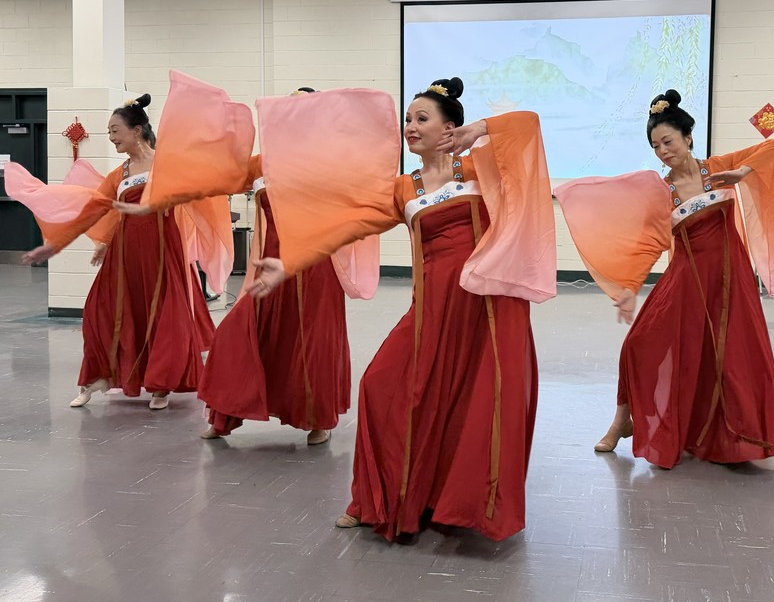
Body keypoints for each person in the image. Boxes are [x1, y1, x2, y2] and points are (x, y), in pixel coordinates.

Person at [248, 77, 556, 541]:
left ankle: (461, 503)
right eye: (407, 119)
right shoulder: (403, 188)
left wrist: (480, 131)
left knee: (475, 401)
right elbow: (348, 227)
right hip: (432, 306)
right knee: (380, 386)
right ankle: (375, 499)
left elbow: (527, 127)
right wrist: (289, 261)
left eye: (421, 118)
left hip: (486, 307)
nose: (410, 127)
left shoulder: (479, 169)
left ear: (449, 126)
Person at [554, 89, 774, 468]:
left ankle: (731, 433)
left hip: (731, 280)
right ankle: (622, 420)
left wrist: (742, 172)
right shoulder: (663, 191)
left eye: (668, 141)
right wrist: (630, 288)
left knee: (730, 355)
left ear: (688, 137)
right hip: (687, 279)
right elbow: (648, 244)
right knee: (638, 343)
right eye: (655, 145)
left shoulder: (717, 168)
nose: (663, 151)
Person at [116, 83, 362, 445]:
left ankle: (316, 419)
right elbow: (212, 181)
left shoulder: (330, 163)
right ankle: (225, 416)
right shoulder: (261, 163)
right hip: (270, 267)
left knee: (309, 345)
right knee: (237, 333)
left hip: (314, 268)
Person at [11, 93, 230, 409]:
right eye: (110, 132)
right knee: (102, 311)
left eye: (115, 130)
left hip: (161, 250)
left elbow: (193, 193)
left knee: (163, 315)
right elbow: (92, 211)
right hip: (124, 254)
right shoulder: (120, 174)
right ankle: (101, 375)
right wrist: (54, 245)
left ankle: (161, 383)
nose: (111, 138)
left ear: (136, 130)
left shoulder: (167, 164)